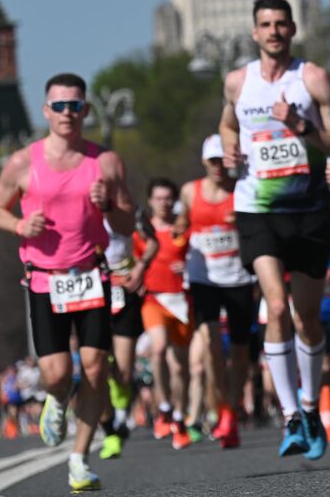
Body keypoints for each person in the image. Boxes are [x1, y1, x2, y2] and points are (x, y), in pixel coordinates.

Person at [0, 73, 135, 492]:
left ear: (85, 110)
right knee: (56, 373)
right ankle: (56, 396)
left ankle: (78, 459)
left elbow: (127, 220)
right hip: (45, 280)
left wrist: (109, 207)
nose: (68, 113)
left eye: (75, 105)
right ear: (46, 111)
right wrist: (19, 224)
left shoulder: (105, 162)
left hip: (91, 275)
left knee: (94, 367)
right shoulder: (23, 162)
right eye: (60, 106)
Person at [219, 0, 330, 459]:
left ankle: (312, 404)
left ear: (292, 30)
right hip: (257, 208)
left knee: (307, 319)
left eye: (281, 24)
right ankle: (291, 415)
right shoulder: (238, 82)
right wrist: (229, 149)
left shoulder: (311, 78)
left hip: (309, 210)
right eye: (265, 24)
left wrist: (302, 126)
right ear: (254, 33)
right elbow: (227, 127)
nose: (274, 31)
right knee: (275, 307)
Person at [180, 134, 256, 450]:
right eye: (212, 161)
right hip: (204, 278)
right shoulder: (189, 192)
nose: (218, 168)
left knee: (239, 351)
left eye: (222, 161)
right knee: (211, 344)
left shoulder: (243, 190)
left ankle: (231, 410)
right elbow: (179, 226)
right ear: (204, 162)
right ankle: (220, 405)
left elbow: (259, 228)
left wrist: (243, 222)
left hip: (238, 278)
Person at [136, 179, 194, 450]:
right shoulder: (142, 233)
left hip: (181, 301)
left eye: (168, 198)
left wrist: (189, 266)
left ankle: (180, 419)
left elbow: (200, 257)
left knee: (181, 367)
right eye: (158, 198)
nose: (164, 203)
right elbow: (134, 261)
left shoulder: (184, 229)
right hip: (154, 299)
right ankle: (164, 406)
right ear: (150, 201)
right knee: (158, 349)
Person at [98, 189, 154, 461]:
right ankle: (110, 426)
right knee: (96, 362)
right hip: (92, 289)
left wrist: (140, 268)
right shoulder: (80, 209)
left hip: (124, 289)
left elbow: (152, 241)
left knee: (122, 368)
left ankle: (120, 418)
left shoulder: (129, 208)